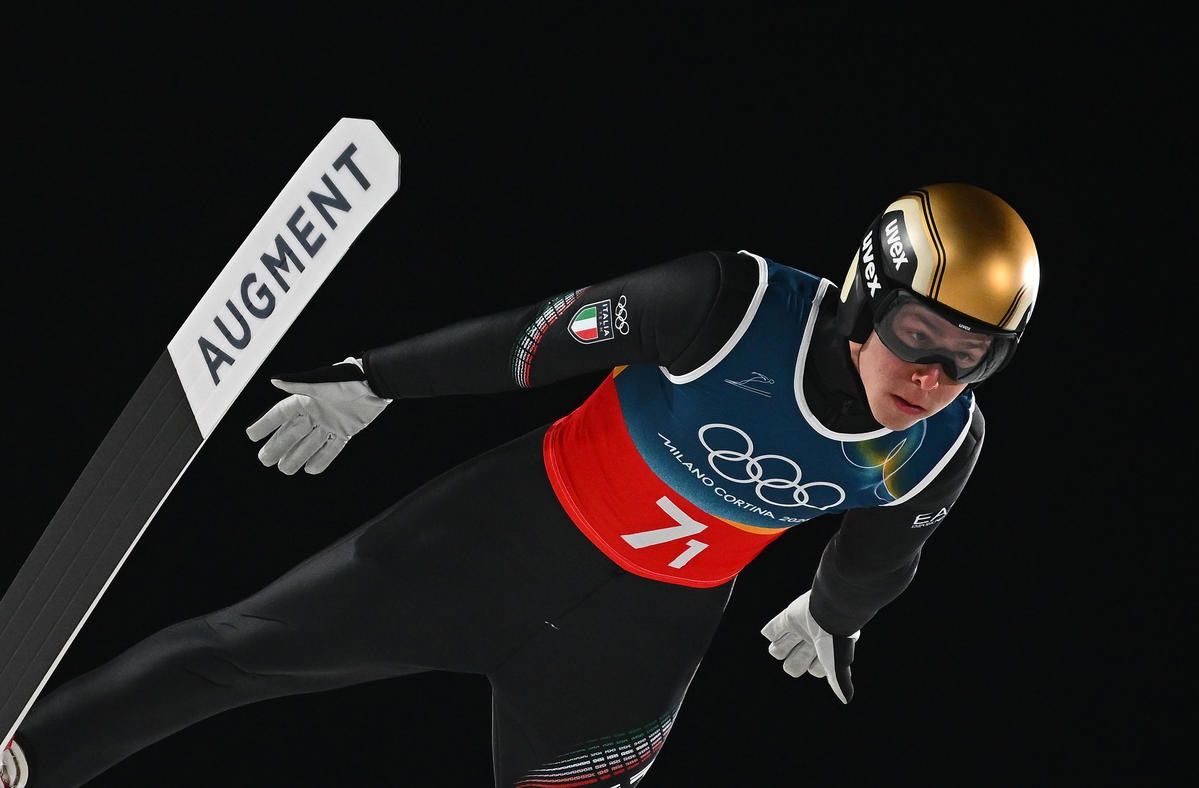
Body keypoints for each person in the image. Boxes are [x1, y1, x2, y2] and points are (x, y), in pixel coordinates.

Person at [2, 182, 1040, 788]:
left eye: (972, 356)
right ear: (865, 293)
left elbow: (882, 551)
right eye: (919, 333)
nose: (932, 376)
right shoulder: (730, 306)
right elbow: (538, 337)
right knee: (234, 651)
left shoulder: (941, 443)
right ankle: (26, 762)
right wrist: (376, 380)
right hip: (493, 543)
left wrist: (832, 614)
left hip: (634, 646)